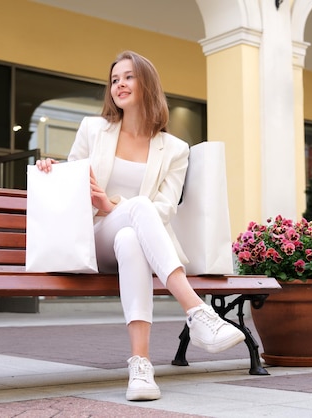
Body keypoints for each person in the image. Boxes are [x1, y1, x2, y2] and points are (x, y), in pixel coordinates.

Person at [36, 50, 245, 401]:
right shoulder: (93, 129)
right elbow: (73, 182)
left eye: (128, 77)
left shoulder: (175, 150)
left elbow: (164, 209)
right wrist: (50, 169)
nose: (119, 84)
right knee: (137, 211)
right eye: (115, 79)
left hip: (139, 243)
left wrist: (114, 203)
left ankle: (141, 367)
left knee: (133, 235)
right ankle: (196, 311)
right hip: (95, 238)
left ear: (147, 83)